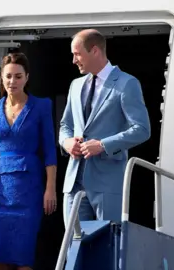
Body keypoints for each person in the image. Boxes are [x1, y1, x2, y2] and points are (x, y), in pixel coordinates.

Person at [0, 52, 58, 270]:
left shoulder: (41, 106)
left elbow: (49, 150)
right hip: (0, 192)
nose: (13, 81)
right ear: (1, 77)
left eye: (18, 76)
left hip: (29, 190)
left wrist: (50, 189)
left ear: (27, 78)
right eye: (9, 76)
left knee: (23, 258)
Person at [59, 29, 151, 225]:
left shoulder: (127, 84)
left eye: (77, 54)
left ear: (95, 51)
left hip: (107, 183)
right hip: (73, 183)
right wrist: (66, 142)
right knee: (74, 250)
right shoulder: (75, 85)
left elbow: (142, 129)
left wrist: (102, 145)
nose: (74, 60)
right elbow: (65, 125)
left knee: (108, 247)